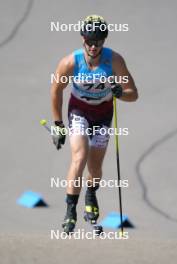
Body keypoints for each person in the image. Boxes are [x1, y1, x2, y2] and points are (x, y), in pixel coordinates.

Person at [50, 15, 138, 234]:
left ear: (104, 41)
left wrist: (120, 93)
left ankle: (91, 193)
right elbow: (56, 90)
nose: (93, 45)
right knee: (79, 157)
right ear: (82, 38)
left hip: (103, 114)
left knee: (95, 167)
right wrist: (58, 123)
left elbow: (133, 94)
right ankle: (70, 210)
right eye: (89, 40)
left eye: (98, 41)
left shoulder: (114, 60)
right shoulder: (70, 62)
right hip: (79, 111)